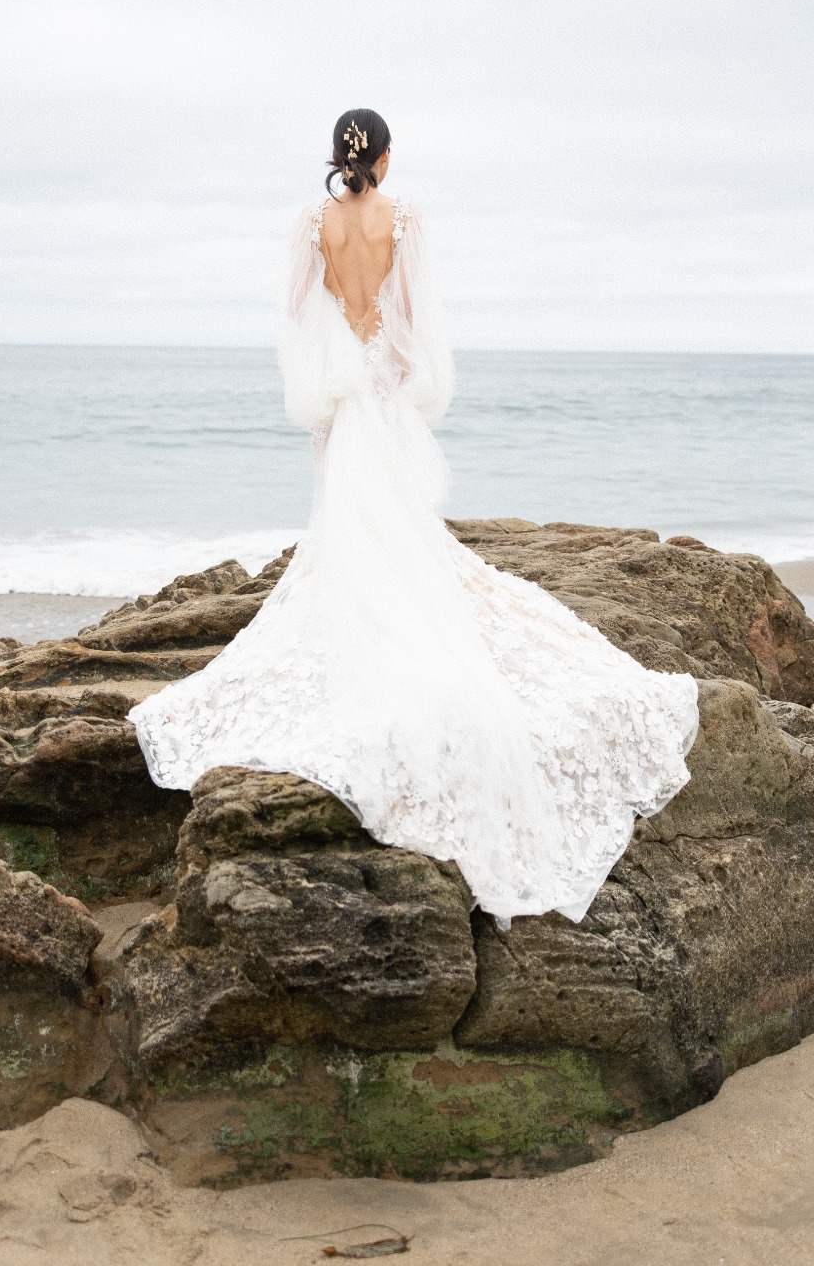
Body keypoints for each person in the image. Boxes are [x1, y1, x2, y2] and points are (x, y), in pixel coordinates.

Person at [130, 108, 698, 925]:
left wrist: (336, 338)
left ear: (338, 156)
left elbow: (296, 304)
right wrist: (393, 359)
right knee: (394, 513)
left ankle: (367, 602)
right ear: (385, 159)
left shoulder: (312, 220)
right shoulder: (403, 216)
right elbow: (415, 306)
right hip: (384, 382)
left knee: (347, 518)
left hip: (341, 385)